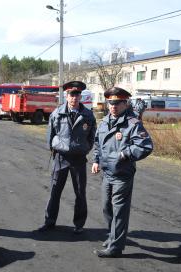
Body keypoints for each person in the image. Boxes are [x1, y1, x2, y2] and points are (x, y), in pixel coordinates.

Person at [91, 87, 153, 258]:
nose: (113, 106)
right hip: (107, 173)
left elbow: (145, 146)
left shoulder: (133, 124)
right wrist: (96, 160)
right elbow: (98, 143)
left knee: (119, 211)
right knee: (106, 208)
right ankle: (113, 237)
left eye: (117, 103)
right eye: (111, 103)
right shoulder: (104, 122)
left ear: (125, 104)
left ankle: (116, 247)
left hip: (122, 174)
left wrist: (126, 153)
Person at [37, 81, 96, 234]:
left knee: (80, 193)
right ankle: (49, 222)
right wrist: (54, 149)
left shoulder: (88, 115)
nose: (74, 98)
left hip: (78, 159)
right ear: (66, 96)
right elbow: (50, 135)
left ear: (80, 96)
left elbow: (92, 137)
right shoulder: (57, 113)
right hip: (60, 158)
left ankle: (79, 225)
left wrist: (84, 149)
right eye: (71, 94)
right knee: (54, 191)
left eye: (77, 95)